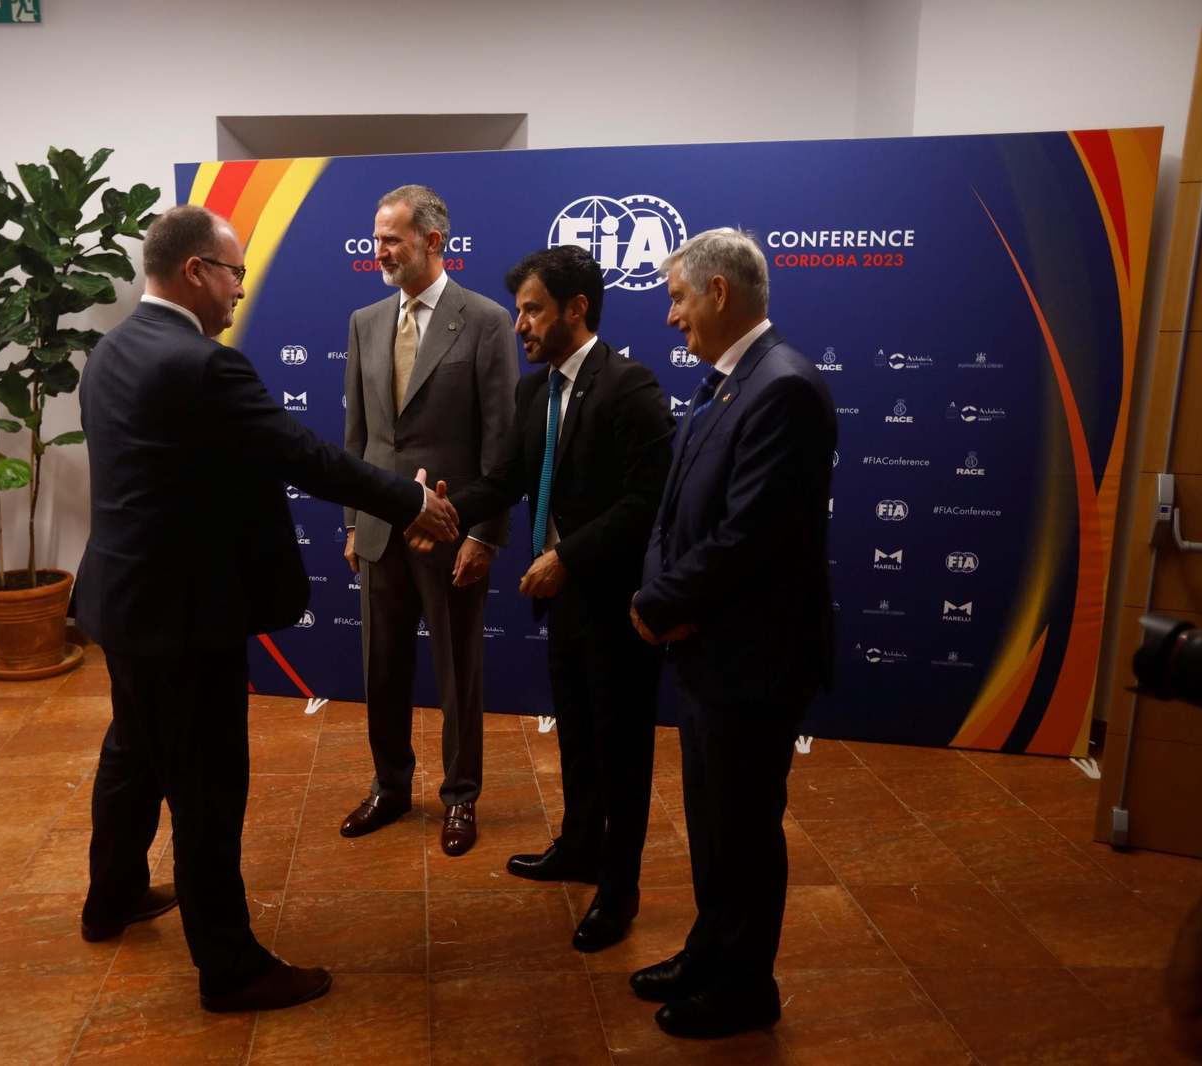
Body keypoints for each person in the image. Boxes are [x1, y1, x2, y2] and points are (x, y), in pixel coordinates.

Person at [74, 204, 459, 1014]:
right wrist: (407, 500)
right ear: (194, 273)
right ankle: (231, 967)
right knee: (207, 789)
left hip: (123, 603)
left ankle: (109, 897)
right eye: (234, 273)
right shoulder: (202, 365)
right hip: (183, 617)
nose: (241, 291)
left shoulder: (110, 351)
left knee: (134, 756)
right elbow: (302, 456)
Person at [628, 229, 836, 1039]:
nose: (673, 317)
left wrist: (660, 600)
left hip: (754, 655)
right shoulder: (728, 381)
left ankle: (746, 986)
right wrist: (656, 587)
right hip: (707, 648)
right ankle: (709, 949)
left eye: (678, 298)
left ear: (719, 293)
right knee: (714, 822)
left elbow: (750, 535)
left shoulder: (782, 386)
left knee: (745, 828)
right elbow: (675, 507)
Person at [439, 246, 674, 952]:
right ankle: (577, 847)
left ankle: (620, 889)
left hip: (615, 602)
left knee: (621, 750)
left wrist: (566, 557)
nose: (520, 325)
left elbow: (647, 501)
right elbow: (508, 478)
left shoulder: (631, 386)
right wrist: (444, 510)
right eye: (518, 311)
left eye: (533, 309)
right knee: (575, 734)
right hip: (566, 606)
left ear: (578, 308)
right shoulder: (533, 392)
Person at [339, 185, 518, 857]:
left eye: (392, 240)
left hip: (452, 535)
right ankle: (389, 787)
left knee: (457, 675)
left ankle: (460, 797)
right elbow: (358, 438)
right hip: (382, 533)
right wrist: (356, 524)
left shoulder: (486, 320)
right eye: (376, 238)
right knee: (380, 671)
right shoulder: (364, 321)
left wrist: (483, 534)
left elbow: (500, 443)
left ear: (433, 242)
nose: (379, 250)